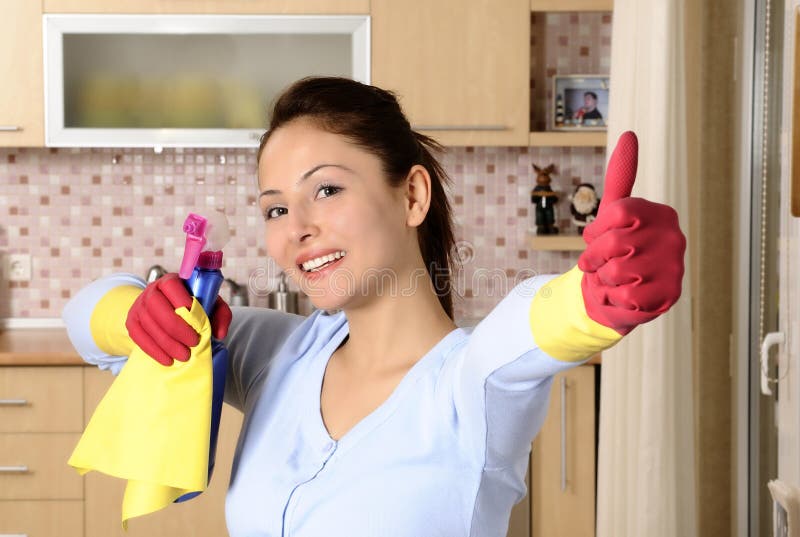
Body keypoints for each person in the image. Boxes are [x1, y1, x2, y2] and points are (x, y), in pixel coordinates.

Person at [63, 76, 685, 537]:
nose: (295, 229)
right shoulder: (280, 355)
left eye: (326, 189)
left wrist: (594, 297)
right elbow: (83, 319)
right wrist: (135, 313)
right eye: (276, 208)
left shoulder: (468, 389)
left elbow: (530, 324)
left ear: (412, 195)